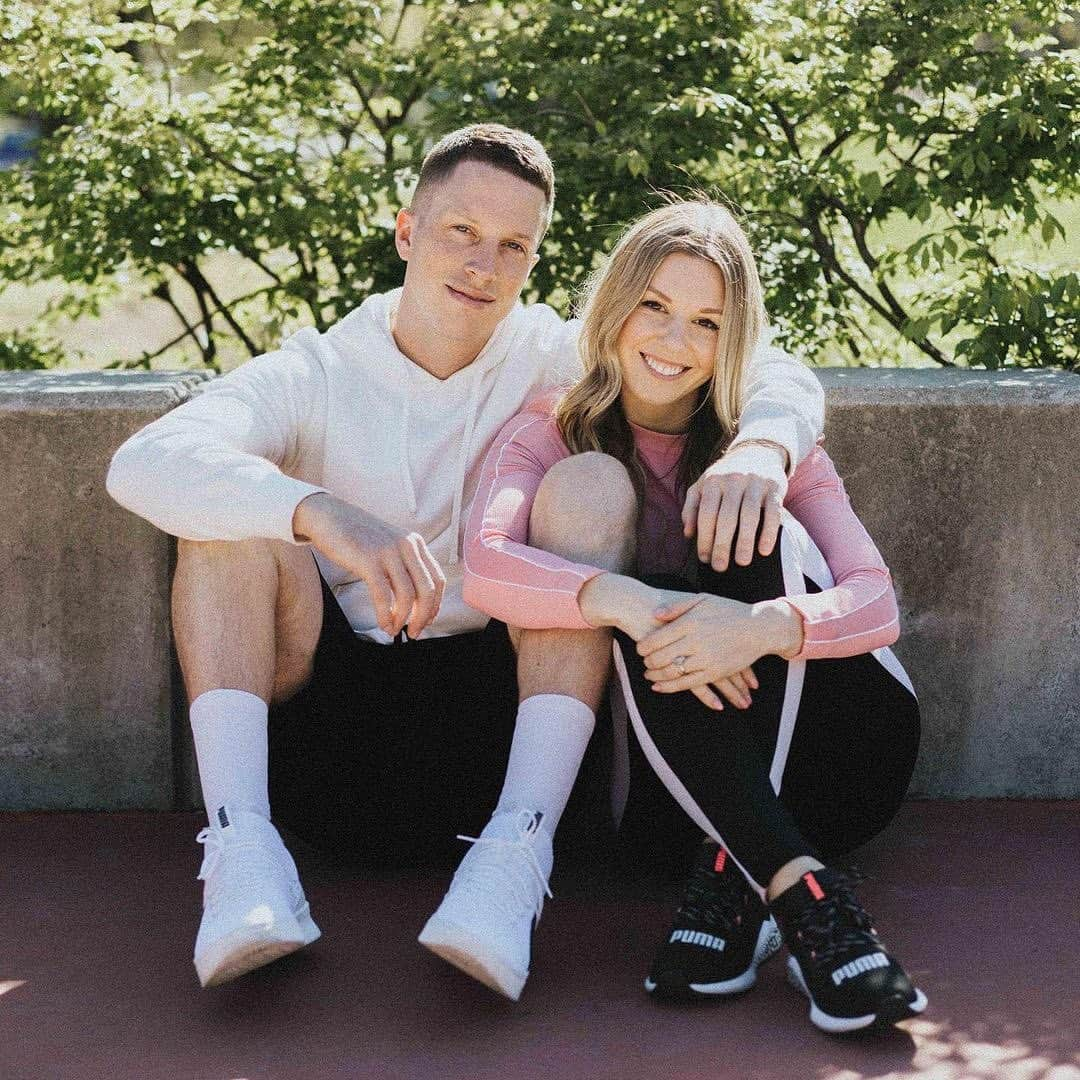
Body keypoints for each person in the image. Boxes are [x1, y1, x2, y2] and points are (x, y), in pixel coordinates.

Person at [104, 125, 825, 989]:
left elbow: (772, 369)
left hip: (507, 723)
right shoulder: (313, 371)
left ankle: (514, 865)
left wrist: (760, 451)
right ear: (408, 231)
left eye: (512, 245)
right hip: (332, 729)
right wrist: (320, 512)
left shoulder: (556, 355)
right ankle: (241, 854)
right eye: (460, 232)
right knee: (230, 511)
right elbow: (142, 463)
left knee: (591, 482)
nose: (483, 264)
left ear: (532, 262)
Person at [423, 197, 926, 1033]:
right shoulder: (548, 431)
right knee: (637, 583)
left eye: (706, 322)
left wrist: (759, 626)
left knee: (744, 518)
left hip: (844, 758)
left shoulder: (761, 444)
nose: (673, 341)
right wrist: (637, 603)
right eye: (653, 306)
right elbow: (487, 563)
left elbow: (876, 601)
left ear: (735, 342)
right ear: (615, 306)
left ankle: (754, 878)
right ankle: (796, 890)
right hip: (670, 801)